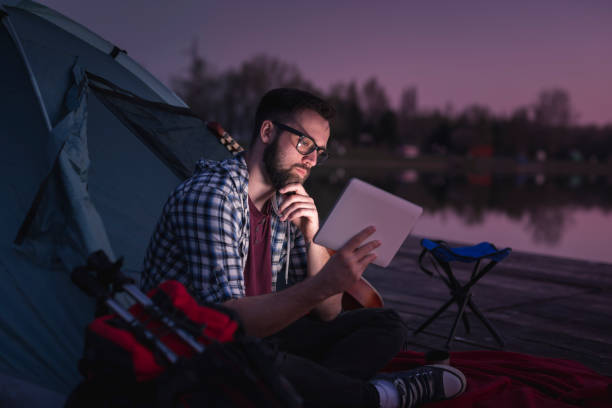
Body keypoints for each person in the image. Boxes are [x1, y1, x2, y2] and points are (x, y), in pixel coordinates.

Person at [141, 88, 466, 408]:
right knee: (255, 358)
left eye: (319, 151)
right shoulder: (213, 197)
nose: (311, 160)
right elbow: (232, 324)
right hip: (198, 347)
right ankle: (377, 397)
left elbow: (328, 312)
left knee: (386, 323)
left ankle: (310, 391)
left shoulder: (288, 201)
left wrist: (313, 237)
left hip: (260, 337)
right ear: (267, 131)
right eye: (304, 144)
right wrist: (324, 282)